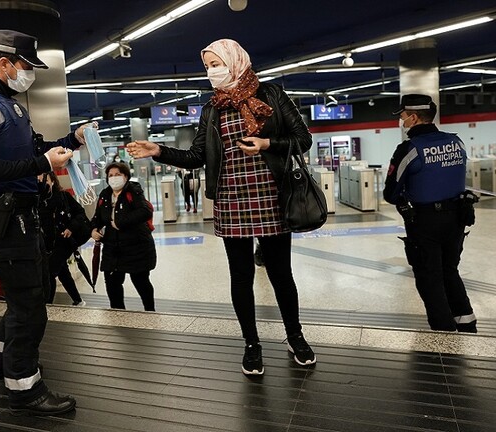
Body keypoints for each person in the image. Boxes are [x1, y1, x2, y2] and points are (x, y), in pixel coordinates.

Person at [127, 39, 316, 375]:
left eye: (216, 64)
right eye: (208, 66)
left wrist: (267, 143)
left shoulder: (272, 94)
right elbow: (196, 156)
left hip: (272, 196)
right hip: (231, 200)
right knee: (241, 276)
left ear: (236, 60)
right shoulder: (212, 108)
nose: (212, 71)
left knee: (280, 273)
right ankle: (251, 344)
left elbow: (303, 139)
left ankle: (295, 336)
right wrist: (159, 151)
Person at [0, 29, 91, 416]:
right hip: (7, 213)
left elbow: (33, 151)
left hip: (24, 213)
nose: (29, 73)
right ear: (5, 63)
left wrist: (72, 140)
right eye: (26, 65)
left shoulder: (8, 104)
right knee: (30, 305)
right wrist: (41, 164)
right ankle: (24, 388)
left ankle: (2, 362)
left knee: (26, 296)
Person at [383, 94, 477, 333]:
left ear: (414, 118)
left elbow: (391, 193)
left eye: (403, 116)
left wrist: (404, 196)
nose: (402, 121)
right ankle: (466, 322)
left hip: (425, 221)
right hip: (457, 218)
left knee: (429, 276)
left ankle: (443, 332)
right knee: (450, 270)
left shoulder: (409, 149)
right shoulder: (456, 142)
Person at [90, 162, 156, 311]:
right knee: (112, 283)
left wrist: (120, 223)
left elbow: (145, 211)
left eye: (118, 174)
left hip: (136, 246)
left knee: (140, 281)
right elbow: (97, 217)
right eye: (111, 175)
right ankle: (118, 314)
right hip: (112, 248)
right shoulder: (105, 195)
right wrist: (93, 229)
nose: (114, 178)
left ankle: (150, 311)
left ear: (125, 176)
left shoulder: (133, 191)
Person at [37, 171, 89, 306]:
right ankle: (78, 300)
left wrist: (71, 228)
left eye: (45, 180)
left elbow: (80, 213)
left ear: (53, 181)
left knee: (50, 272)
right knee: (62, 271)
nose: (42, 183)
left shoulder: (63, 196)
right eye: (39, 180)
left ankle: (47, 305)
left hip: (64, 241)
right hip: (48, 243)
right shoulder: (37, 200)